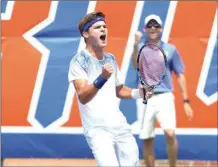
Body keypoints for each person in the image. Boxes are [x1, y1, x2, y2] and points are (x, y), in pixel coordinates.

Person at [68, 11, 152, 166]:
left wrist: (139, 93)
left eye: (104, 27)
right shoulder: (78, 61)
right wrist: (102, 78)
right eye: (97, 27)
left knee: (132, 163)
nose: (103, 30)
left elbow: (119, 90)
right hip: (97, 130)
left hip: (118, 124)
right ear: (86, 34)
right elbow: (82, 96)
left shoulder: (110, 59)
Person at [131, 14, 194, 167]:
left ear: (161, 28)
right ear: (145, 28)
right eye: (150, 25)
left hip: (165, 96)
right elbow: (135, 66)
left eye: (156, 25)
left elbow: (180, 75)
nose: (153, 28)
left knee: (170, 133)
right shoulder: (139, 47)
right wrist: (134, 45)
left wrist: (186, 101)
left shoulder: (170, 49)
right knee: (147, 139)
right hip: (144, 97)